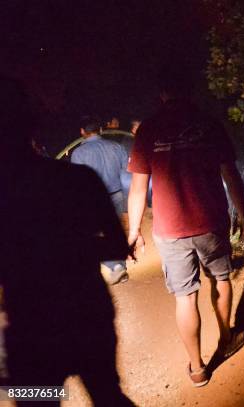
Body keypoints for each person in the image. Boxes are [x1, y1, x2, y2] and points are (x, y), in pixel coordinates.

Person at [0, 76, 134, 406]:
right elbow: (118, 247)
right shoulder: (77, 179)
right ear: (32, 125)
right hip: (89, 318)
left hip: (31, 333)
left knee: (38, 401)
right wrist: (72, 250)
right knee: (109, 396)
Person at [127, 65, 244, 387]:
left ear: (162, 93)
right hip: (210, 222)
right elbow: (231, 175)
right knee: (221, 279)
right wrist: (243, 215)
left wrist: (133, 231)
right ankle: (227, 337)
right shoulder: (208, 125)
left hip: (170, 229)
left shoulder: (149, 129)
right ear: (191, 90)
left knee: (185, 298)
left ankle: (197, 368)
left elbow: (138, 188)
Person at [71, 116, 130, 284]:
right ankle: (119, 265)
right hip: (117, 193)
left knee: (95, 234)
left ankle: (115, 266)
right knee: (116, 229)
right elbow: (126, 174)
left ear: (82, 132)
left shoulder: (78, 153)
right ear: (101, 130)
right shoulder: (116, 147)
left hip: (94, 199)